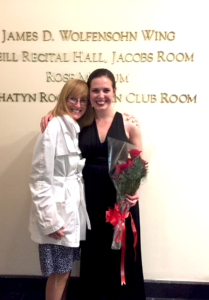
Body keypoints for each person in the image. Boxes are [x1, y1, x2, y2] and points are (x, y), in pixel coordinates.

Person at [41, 69, 145, 300]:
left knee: (121, 255)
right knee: (94, 253)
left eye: (106, 90)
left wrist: (135, 189)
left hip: (119, 199)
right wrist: (51, 113)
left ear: (114, 92)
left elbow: (137, 162)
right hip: (87, 198)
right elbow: (64, 117)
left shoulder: (129, 124)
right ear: (89, 93)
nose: (101, 95)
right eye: (95, 90)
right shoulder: (81, 121)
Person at [29, 79, 92, 300]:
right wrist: (49, 220)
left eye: (83, 100)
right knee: (59, 274)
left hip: (70, 214)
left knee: (64, 272)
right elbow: (39, 178)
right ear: (63, 99)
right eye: (72, 98)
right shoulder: (54, 127)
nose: (78, 104)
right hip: (57, 216)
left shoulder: (74, 129)